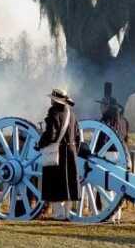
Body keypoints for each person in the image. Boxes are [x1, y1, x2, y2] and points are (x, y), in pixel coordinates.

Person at [38, 88, 81, 220]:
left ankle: (58, 214)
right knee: (69, 183)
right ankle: (67, 213)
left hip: (58, 152)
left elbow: (51, 135)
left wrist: (41, 143)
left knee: (55, 182)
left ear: (55, 101)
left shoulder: (54, 113)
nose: (50, 100)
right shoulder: (72, 114)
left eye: (52, 98)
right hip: (71, 151)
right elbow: (78, 136)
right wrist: (74, 151)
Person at [94, 90, 130, 223]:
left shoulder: (106, 120)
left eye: (102, 105)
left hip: (107, 154)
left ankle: (108, 214)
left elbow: (102, 140)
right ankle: (117, 215)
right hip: (121, 156)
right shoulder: (124, 121)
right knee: (117, 187)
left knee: (106, 186)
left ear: (107, 106)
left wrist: (96, 154)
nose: (100, 107)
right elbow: (126, 140)